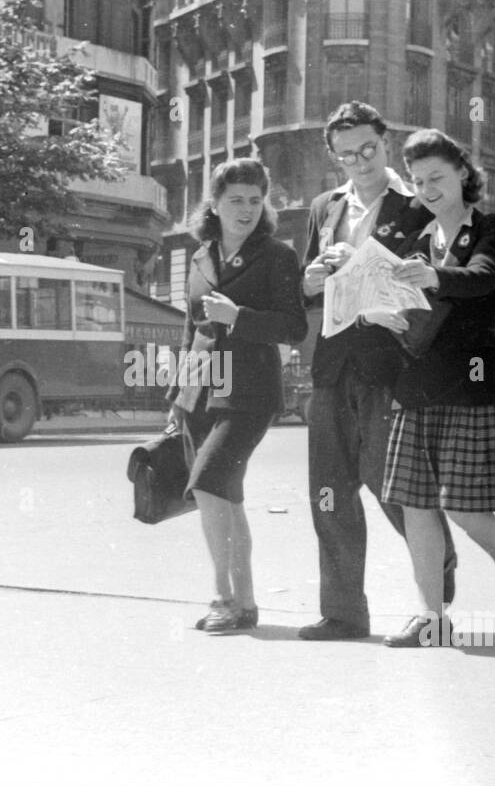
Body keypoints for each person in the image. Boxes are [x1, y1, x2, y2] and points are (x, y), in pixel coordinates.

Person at [297, 101, 458, 641]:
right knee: (330, 490)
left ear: (386, 144)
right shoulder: (324, 207)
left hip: (391, 362)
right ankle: (343, 612)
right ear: (335, 158)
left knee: (388, 480)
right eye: (347, 155)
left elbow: (440, 286)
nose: (359, 161)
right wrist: (313, 278)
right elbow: (304, 286)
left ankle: (438, 571)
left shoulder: (419, 206)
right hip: (332, 361)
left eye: (368, 149)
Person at [372, 128, 495, 647]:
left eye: (437, 177)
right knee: (416, 503)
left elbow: (483, 278)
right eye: (418, 180)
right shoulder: (415, 234)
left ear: (463, 173)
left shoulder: (490, 227)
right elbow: (382, 279)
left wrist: (433, 276)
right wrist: (380, 310)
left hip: (468, 382)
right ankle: (431, 617)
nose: (426, 188)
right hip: (416, 382)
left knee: (464, 505)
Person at [167, 158, 308, 633]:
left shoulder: (277, 256)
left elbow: (294, 325)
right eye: (236, 200)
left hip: (250, 390)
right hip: (203, 389)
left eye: (255, 200)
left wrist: (239, 316)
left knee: (208, 483)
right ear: (215, 204)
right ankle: (244, 604)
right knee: (226, 498)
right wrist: (178, 397)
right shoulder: (201, 255)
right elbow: (192, 330)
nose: (246, 210)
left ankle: (223, 597)